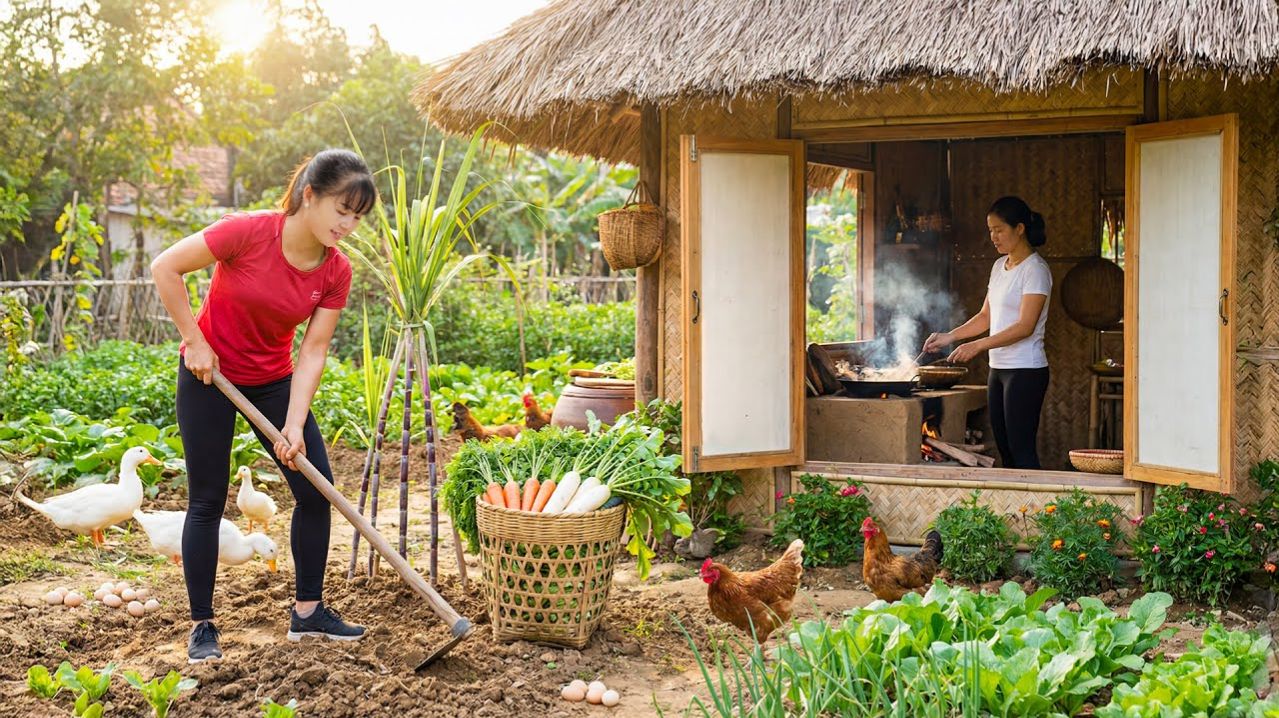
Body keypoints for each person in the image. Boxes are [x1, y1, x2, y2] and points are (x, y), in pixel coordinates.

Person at [151, 149, 375, 663]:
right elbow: (166, 267)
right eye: (343, 210)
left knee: (315, 491)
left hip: (273, 382)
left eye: (357, 217)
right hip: (210, 377)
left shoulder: (335, 271)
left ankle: (308, 613)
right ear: (310, 195)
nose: (349, 225)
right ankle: (203, 626)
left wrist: (294, 424)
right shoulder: (248, 232)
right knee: (208, 500)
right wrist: (195, 340)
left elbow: (313, 349)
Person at [923, 196, 1051, 469]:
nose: (993, 236)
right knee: (1005, 449)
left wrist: (979, 346)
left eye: (999, 230)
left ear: (1020, 228)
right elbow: (985, 317)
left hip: (1026, 370)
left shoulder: (1036, 271)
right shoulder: (999, 267)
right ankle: (1015, 510)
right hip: (999, 369)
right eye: (990, 230)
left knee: (1022, 449)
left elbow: (1025, 327)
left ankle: (1041, 510)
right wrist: (949, 337)